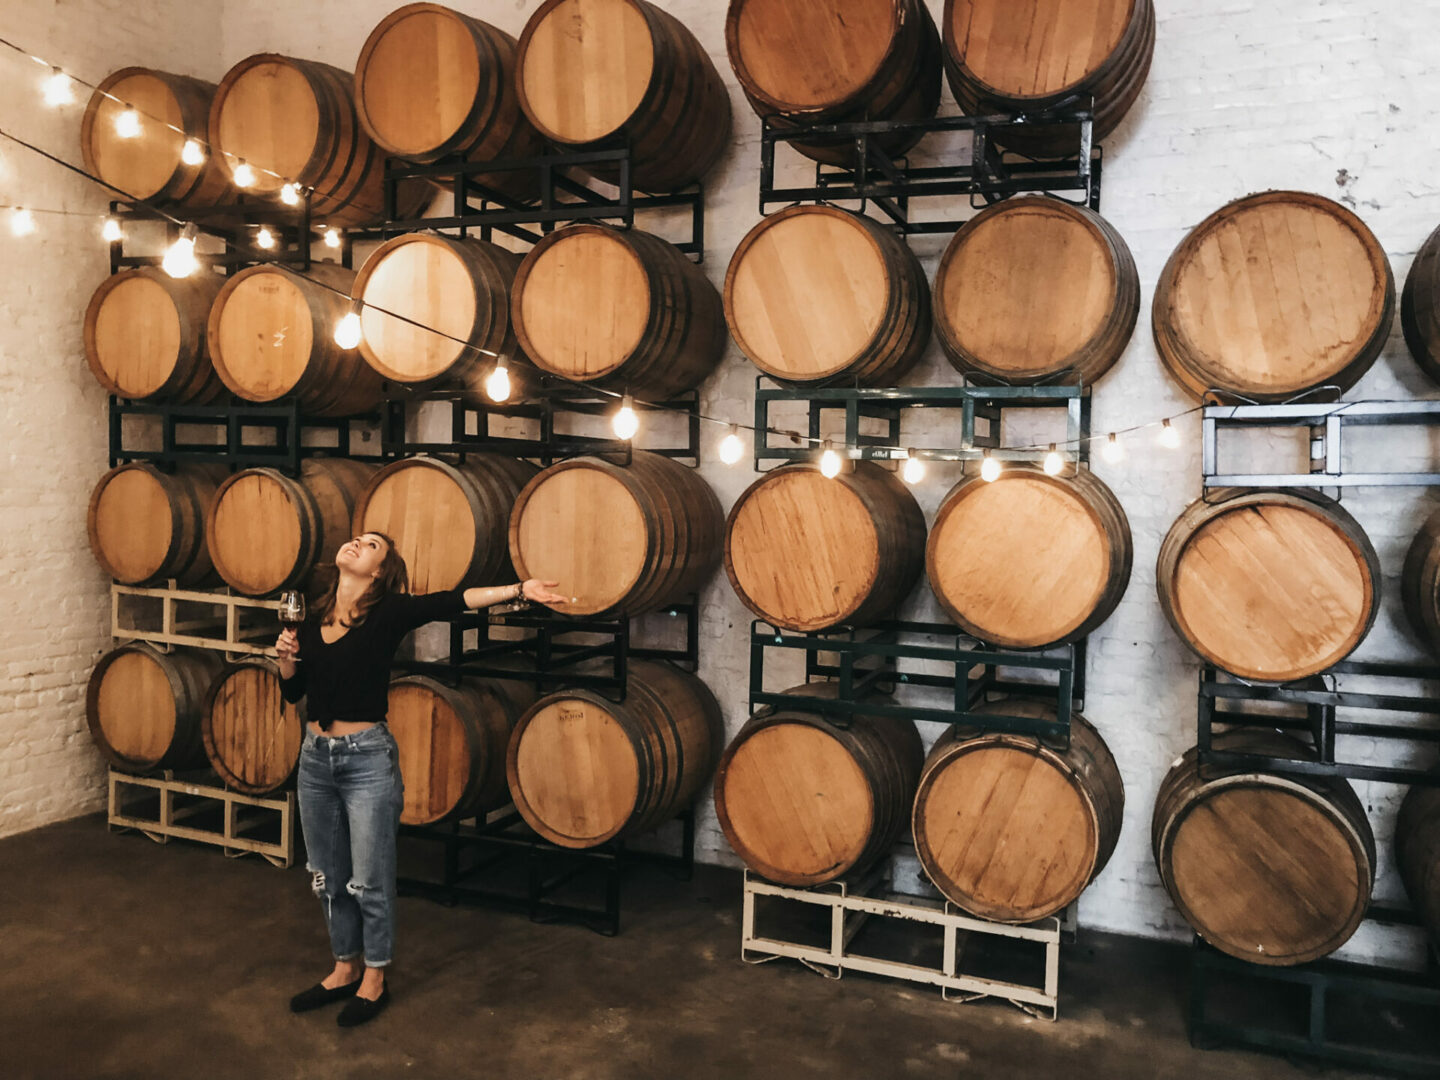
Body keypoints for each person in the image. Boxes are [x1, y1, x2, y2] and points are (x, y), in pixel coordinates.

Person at [274, 531, 567, 1027]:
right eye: (356, 539)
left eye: (370, 546)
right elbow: (294, 691)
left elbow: (456, 600)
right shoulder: (310, 615)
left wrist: (519, 589)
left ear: (381, 573)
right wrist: (284, 659)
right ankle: (344, 967)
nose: (355, 544)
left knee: (369, 880)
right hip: (315, 759)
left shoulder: (388, 613)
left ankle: (375, 977)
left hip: (366, 758)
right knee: (326, 876)